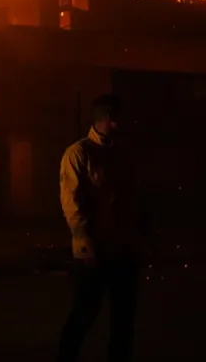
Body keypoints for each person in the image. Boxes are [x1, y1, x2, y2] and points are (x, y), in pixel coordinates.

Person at [57, 94, 155, 362]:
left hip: (124, 250)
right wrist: (85, 246)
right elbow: (72, 205)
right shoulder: (79, 153)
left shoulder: (121, 154)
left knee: (124, 320)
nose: (126, 122)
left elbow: (135, 200)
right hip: (96, 253)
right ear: (109, 119)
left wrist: (145, 239)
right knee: (84, 315)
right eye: (120, 117)